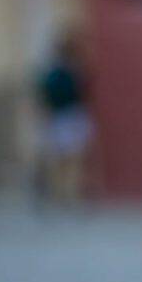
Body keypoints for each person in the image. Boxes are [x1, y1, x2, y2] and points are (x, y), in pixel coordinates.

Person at [35, 30, 92, 203]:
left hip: (71, 116)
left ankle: (68, 192)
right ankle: (60, 192)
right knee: (62, 158)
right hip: (62, 117)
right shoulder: (57, 74)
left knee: (72, 157)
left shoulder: (72, 71)